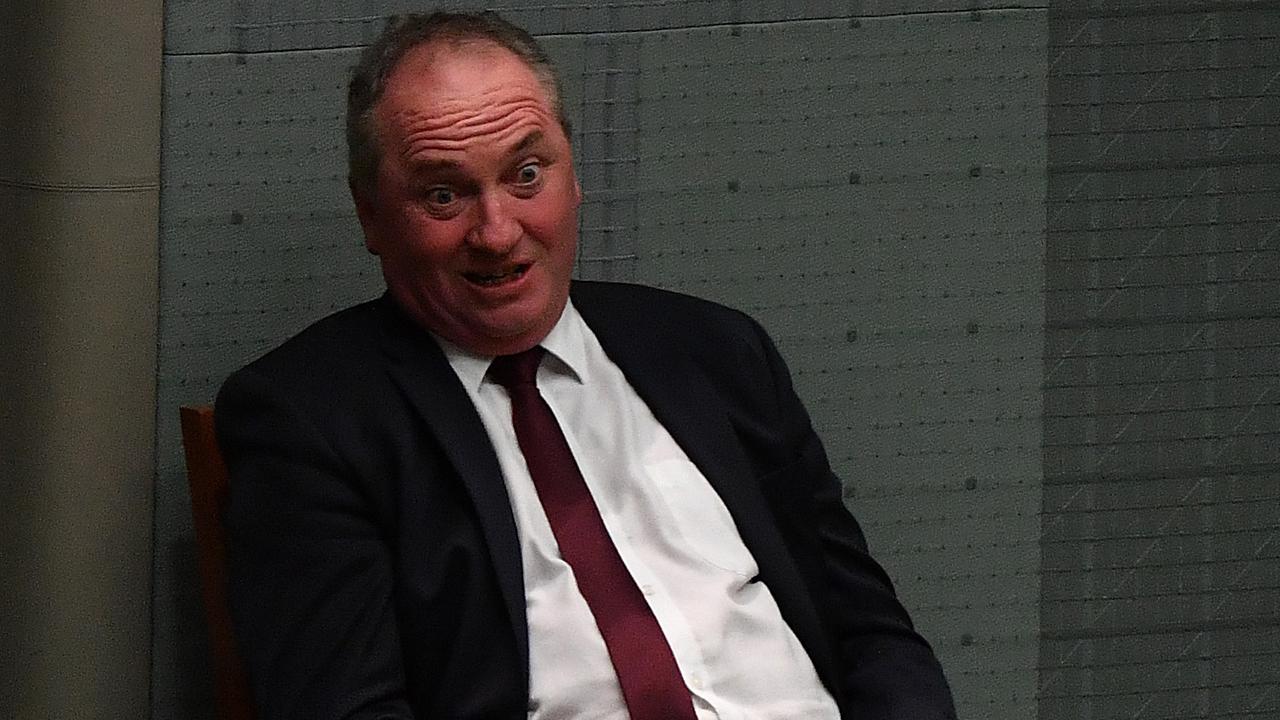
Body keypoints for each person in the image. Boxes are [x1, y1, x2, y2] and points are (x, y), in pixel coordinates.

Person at [216, 10, 957, 720]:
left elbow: (872, 633)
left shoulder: (716, 352)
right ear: (371, 215)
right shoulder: (309, 421)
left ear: (575, 175)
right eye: (444, 194)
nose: (498, 232)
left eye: (527, 174)